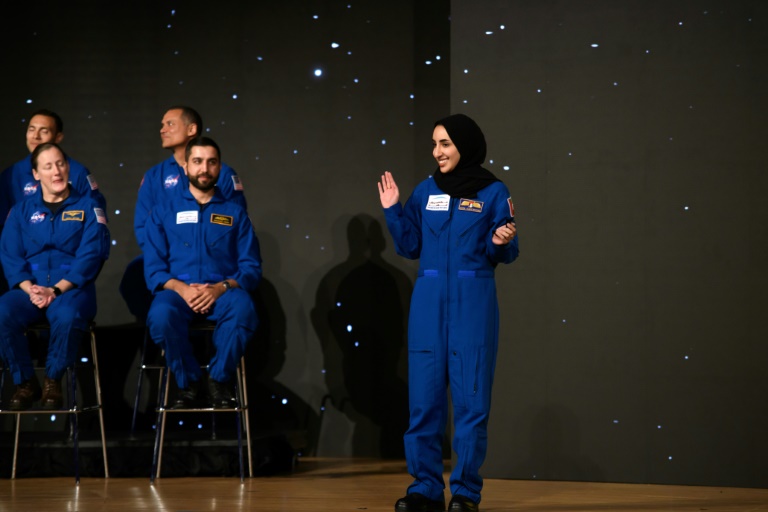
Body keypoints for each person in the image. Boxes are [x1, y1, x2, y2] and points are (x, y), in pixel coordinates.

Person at [378, 114, 519, 512]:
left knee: (471, 403)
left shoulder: (494, 191)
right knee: (424, 402)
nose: (437, 152)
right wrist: (392, 209)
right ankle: (425, 488)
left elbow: (507, 251)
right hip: (428, 302)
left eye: (445, 144)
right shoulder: (426, 191)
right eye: (435, 144)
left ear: (465, 145)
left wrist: (499, 241)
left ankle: (465, 493)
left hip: (473, 302)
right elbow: (409, 246)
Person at [143, 136, 261, 409]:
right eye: (197, 161)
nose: (204, 169)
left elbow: (251, 268)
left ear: (219, 167)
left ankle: (219, 380)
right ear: (185, 166)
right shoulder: (162, 212)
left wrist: (220, 288)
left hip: (222, 292)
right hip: (177, 292)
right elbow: (154, 269)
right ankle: (188, 382)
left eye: (211, 162)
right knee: (160, 316)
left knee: (244, 310)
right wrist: (182, 289)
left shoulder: (236, 214)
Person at [0, 142, 110, 410]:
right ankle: (25, 382)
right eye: (48, 166)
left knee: (67, 315)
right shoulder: (21, 211)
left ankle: (53, 380)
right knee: (2, 311)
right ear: (36, 174)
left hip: (71, 289)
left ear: (68, 167)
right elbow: (11, 256)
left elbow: (91, 255)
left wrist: (56, 290)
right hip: (30, 290)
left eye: (60, 164)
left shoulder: (89, 208)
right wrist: (31, 289)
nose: (56, 171)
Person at [120, 106, 247, 322]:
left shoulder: (223, 174)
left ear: (191, 129)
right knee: (138, 278)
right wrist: (173, 268)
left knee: (243, 305)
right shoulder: (154, 176)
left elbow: (236, 225)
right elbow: (143, 226)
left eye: (170, 124)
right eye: (162, 125)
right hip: (169, 264)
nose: (162, 130)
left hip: (215, 267)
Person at [0, 109, 106, 294]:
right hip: (25, 273)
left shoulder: (78, 173)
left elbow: (95, 231)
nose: (36, 136)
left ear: (58, 137)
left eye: (44, 131)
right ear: (35, 173)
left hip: (67, 272)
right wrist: (24, 284)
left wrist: (71, 282)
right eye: (31, 129)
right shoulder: (11, 175)